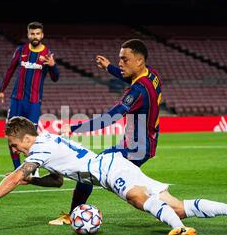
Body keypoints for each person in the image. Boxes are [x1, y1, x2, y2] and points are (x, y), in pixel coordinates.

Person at [0, 116, 227, 235]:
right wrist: (34, 181)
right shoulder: (46, 143)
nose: (14, 150)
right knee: (176, 204)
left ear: (22, 138)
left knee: (137, 199)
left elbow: (12, 178)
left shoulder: (39, 148)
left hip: (107, 169)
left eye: (13, 145)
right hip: (110, 163)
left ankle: (179, 229)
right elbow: (58, 181)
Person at [49, 39, 162, 225]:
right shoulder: (151, 75)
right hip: (141, 143)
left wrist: (74, 127)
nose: (120, 63)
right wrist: (109, 67)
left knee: (89, 170)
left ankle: (73, 216)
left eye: (125, 59)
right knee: (126, 184)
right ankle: (171, 209)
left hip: (137, 148)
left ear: (139, 61)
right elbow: (129, 76)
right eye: (119, 59)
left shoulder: (138, 91)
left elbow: (109, 118)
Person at [0, 21, 59, 172]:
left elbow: (55, 78)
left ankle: (33, 170)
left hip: (33, 103)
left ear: (42, 35)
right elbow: (10, 71)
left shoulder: (47, 55)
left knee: (31, 139)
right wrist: (1, 90)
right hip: (17, 100)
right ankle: (18, 171)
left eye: (37, 34)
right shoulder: (21, 50)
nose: (35, 36)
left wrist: (53, 66)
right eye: (32, 34)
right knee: (10, 136)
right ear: (28, 35)